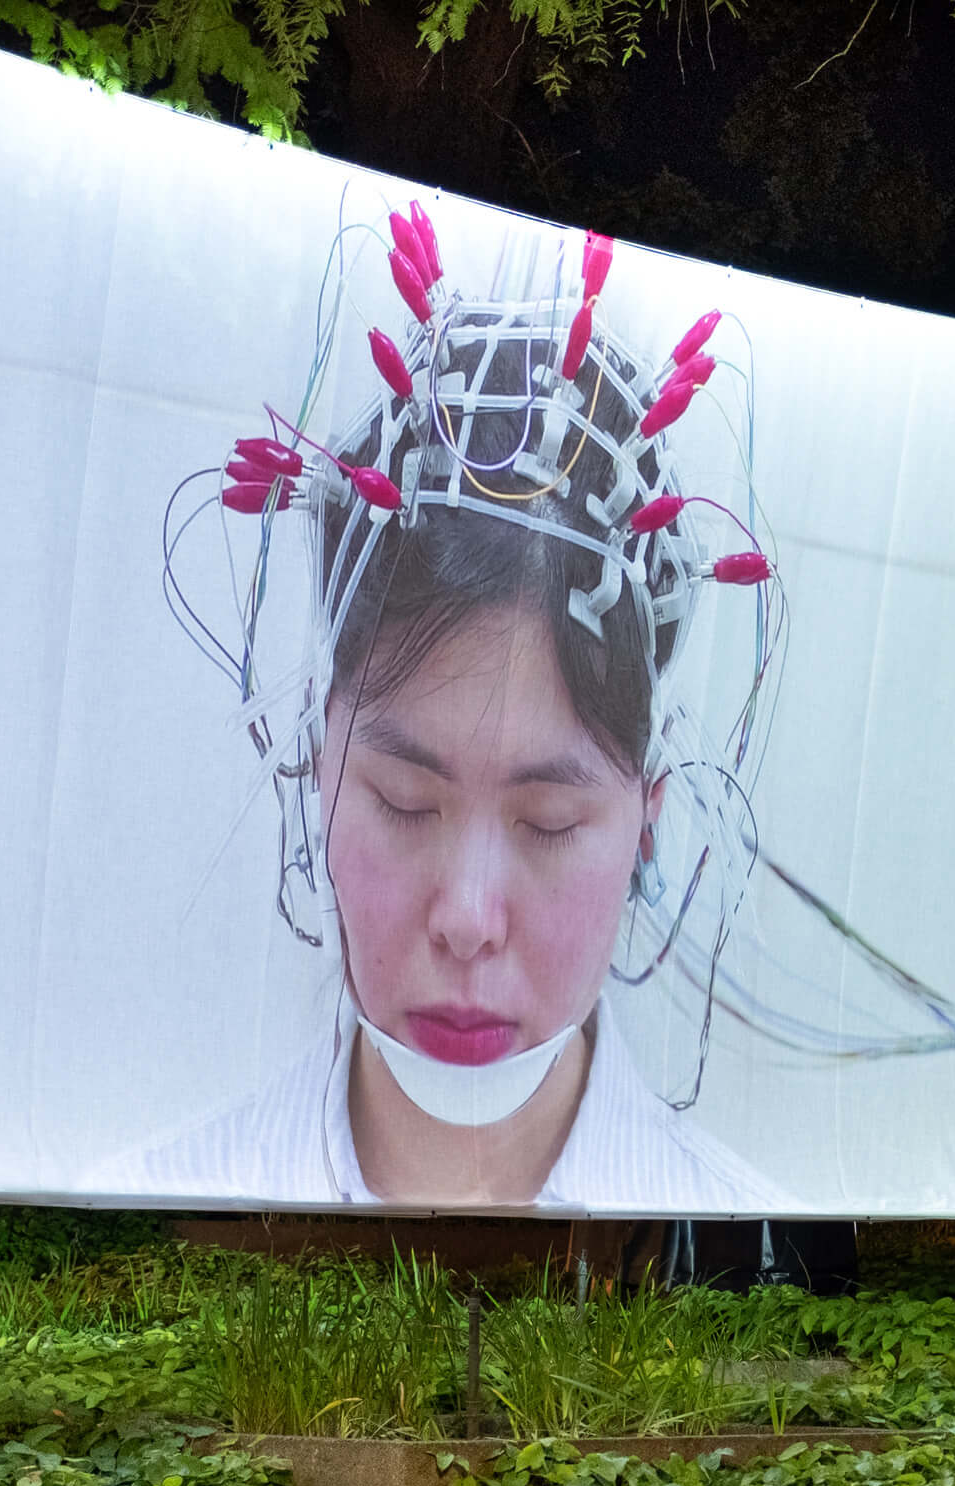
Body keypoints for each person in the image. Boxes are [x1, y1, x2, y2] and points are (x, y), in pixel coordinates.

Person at [115, 224, 785, 1209]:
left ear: (646, 822)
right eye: (404, 802)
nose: (467, 920)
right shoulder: (152, 1226)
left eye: (549, 823)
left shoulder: (755, 1267)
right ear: (317, 765)